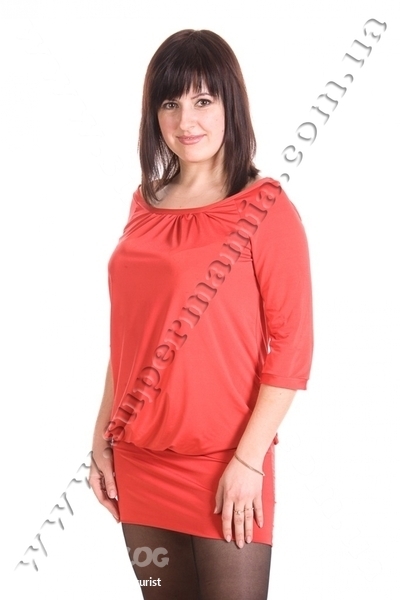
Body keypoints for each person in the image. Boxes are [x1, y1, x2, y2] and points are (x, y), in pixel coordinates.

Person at [89, 29, 313, 600]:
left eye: (203, 100)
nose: (185, 120)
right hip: (138, 462)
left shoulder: (265, 208)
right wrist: (101, 437)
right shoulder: (144, 203)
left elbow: (292, 348)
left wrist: (249, 461)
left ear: (230, 104)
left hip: (226, 465)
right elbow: (130, 338)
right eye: (170, 103)